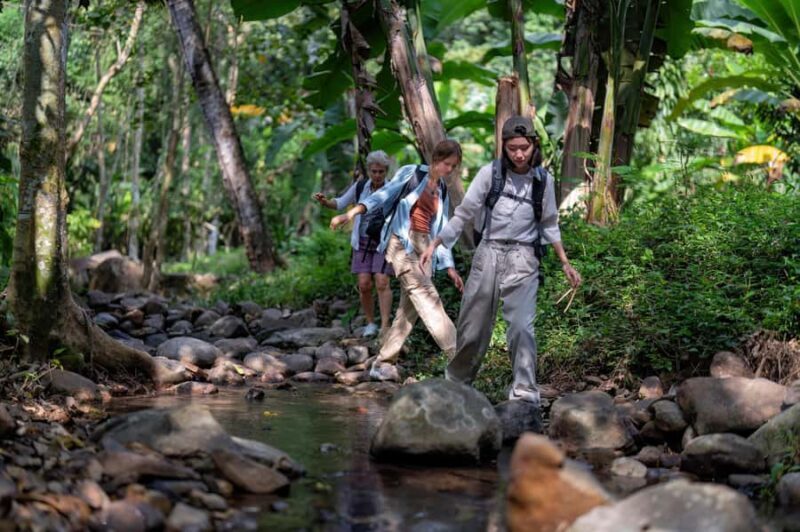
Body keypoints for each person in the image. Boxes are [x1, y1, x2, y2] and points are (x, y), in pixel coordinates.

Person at [420, 116, 581, 405]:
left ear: (534, 145)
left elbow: (549, 223)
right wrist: (436, 243)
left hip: (524, 258)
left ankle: (524, 392)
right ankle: (456, 385)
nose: (519, 154)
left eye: (524, 148)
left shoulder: (543, 181)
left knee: (521, 327)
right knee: (473, 327)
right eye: (512, 148)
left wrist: (565, 262)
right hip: (489, 253)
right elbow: (464, 213)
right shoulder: (490, 174)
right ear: (503, 147)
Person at [330, 140, 465, 380]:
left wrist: (450, 267)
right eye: (447, 164)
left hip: (425, 248)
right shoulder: (412, 173)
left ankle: (382, 361)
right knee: (427, 297)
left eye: (454, 166)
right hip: (401, 242)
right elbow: (381, 195)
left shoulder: (442, 189)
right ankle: (461, 359)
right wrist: (350, 213)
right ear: (436, 159)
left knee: (408, 310)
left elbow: (442, 231)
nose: (450, 170)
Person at [313, 150, 395, 337]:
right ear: (369, 170)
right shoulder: (360, 187)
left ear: (386, 171)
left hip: (383, 242)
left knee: (382, 281)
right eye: (374, 171)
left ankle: (385, 326)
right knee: (364, 284)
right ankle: (370, 323)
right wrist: (325, 202)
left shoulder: (392, 188)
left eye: (381, 172)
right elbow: (340, 203)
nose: (377, 175)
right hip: (362, 241)